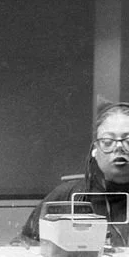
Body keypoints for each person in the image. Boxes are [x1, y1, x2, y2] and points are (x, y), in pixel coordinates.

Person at [20, 102, 129, 246]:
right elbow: (24, 245)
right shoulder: (68, 196)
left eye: (128, 141)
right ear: (95, 150)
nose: (119, 147)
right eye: (108, 141)